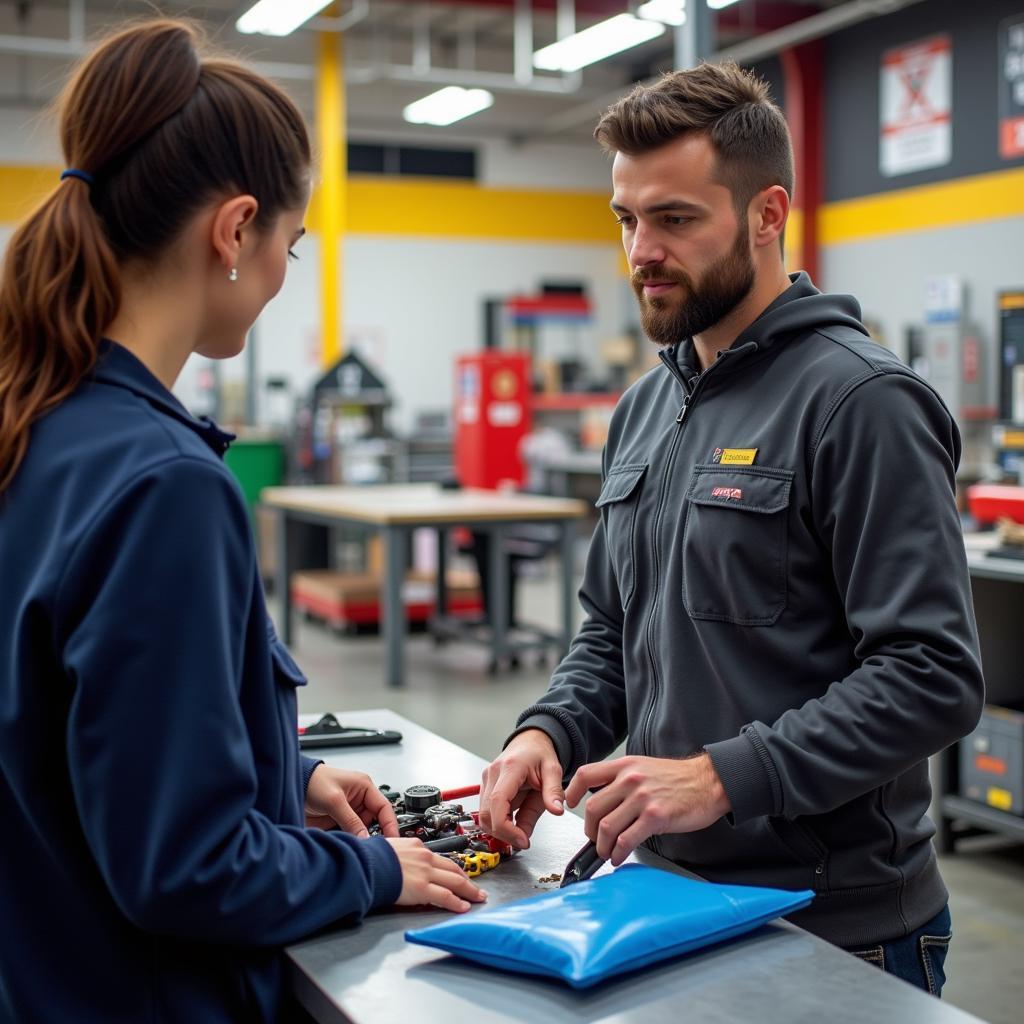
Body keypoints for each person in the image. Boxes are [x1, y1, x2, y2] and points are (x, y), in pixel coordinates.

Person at [0, 20, 483, 1024]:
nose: (279, 276)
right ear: (234, 230)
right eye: (290, 246)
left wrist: (281, 777)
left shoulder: (31, 425)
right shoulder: (165, 486)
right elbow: (187, 866)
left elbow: (70, 740)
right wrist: (364, 870)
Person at [479, 62, 984, 997]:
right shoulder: (644, 409)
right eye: (627, 220)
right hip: (665, 901)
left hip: (834, 929)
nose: (641, 251)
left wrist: (722, 778)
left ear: (767, 214)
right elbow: (610, 632)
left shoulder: (861, 402)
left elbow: (933, 676)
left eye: (675, 219)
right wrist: (548, 731)